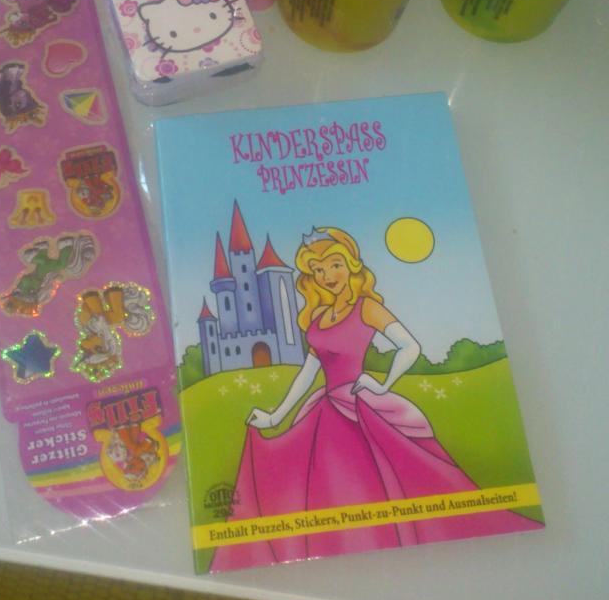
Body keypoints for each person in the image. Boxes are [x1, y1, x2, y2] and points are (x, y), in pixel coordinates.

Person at [211, 225, 540, 571]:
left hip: (358, 408)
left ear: (351, 265)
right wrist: (275, 417)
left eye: (335, 265)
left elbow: (410, 346)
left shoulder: (366, 308)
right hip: (324, 413)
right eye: (318, 270)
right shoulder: (319, 318)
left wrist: (382, 385)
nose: (327, 276)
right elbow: (308, 372)